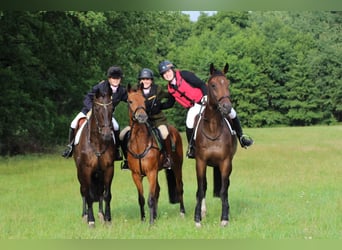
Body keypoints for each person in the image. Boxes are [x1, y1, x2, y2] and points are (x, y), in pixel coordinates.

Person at [158, 60, 253, 158]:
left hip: (205, 99)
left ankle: (241, 137)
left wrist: (205, 96)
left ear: (172, 70)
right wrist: (158, 106)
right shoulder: (170, 88)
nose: (167, 74)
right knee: (189, 121)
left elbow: (201, 84)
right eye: (164, 74)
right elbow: (170, 103)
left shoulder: (184, 75)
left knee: (232, 112)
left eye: (168, 71)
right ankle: (192, 148)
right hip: (194, 107)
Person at [62, 66, 127, 162]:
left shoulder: (122, 90)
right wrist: (90, 109)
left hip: (106, 116)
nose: (115, 80)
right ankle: (70, 147)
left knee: (116, 127)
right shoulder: (100, 87)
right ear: (109, 78)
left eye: (117, 78)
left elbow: (130, 99)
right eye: (113, 78)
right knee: (74, 123)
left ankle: (116, 150)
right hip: (89, 111)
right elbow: (87, 98)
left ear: (120, 79)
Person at [120, 68, 172, 170]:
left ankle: (167, 158)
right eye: (143, 79)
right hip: (139, 122)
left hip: (156, 120)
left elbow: (170, 96)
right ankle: (127, 160)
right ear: (140, 80)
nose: (145, 81)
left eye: (148, 79)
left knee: (165, 133)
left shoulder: (158, 89)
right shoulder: (134, 89)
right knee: (122, 135)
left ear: (151, 80)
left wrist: (161, 106)